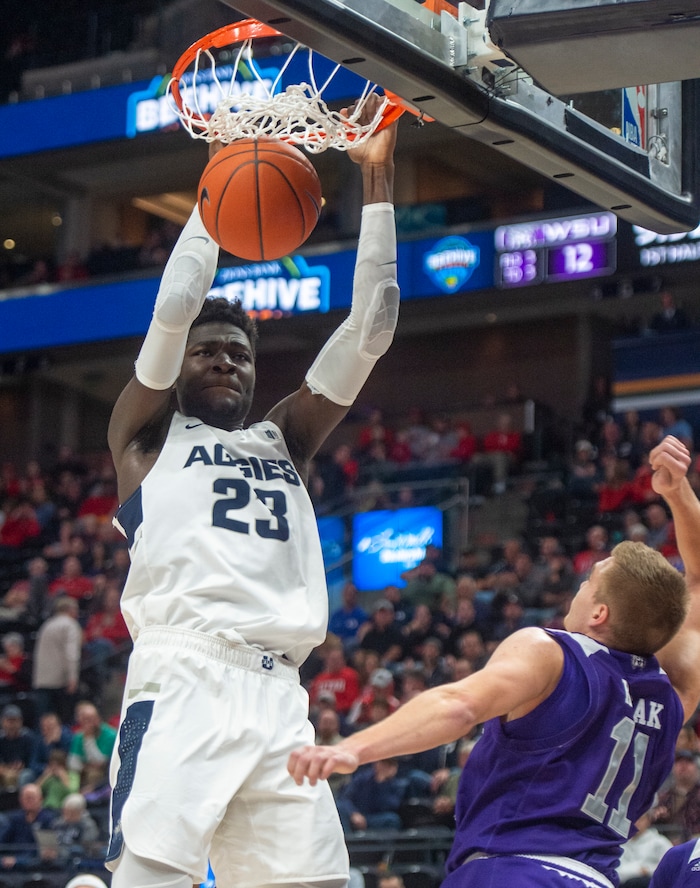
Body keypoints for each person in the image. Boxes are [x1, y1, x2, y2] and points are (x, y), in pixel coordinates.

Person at [105, 95, 399, 888]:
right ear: (180, 367)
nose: (225, 361)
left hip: (279, 696)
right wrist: (216, 189)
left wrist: (376, 180)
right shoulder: (145, 438)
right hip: (185, 674)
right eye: (207, 352)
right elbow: (173, 308)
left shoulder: (285, 439)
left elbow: (371, 327)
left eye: (237, 351)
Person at [289, 435, 700, 888]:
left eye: (588, 581)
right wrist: (678, 492)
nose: (580, 587)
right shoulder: (674, 696)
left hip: (509, 870)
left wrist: (354, 748)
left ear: (599, 613)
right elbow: (698, 582)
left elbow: (459, 705)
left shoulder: (552, 653)